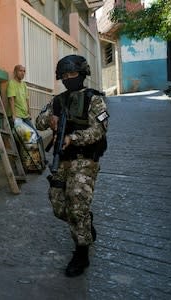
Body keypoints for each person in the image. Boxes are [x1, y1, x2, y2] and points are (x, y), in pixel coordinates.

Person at [36, 55, 109, 277]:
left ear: (82, 74)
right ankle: (85, 220)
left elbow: (99, 129)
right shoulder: (57, 101)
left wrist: (73, 138)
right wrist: (50, 120)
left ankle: (81, 253)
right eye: (64, 76)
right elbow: (39, 122)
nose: (68, 79)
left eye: (73, 75)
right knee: (59, 206)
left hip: (84, 159)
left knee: (76, 206)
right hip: (62, 159)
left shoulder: (94, 99)